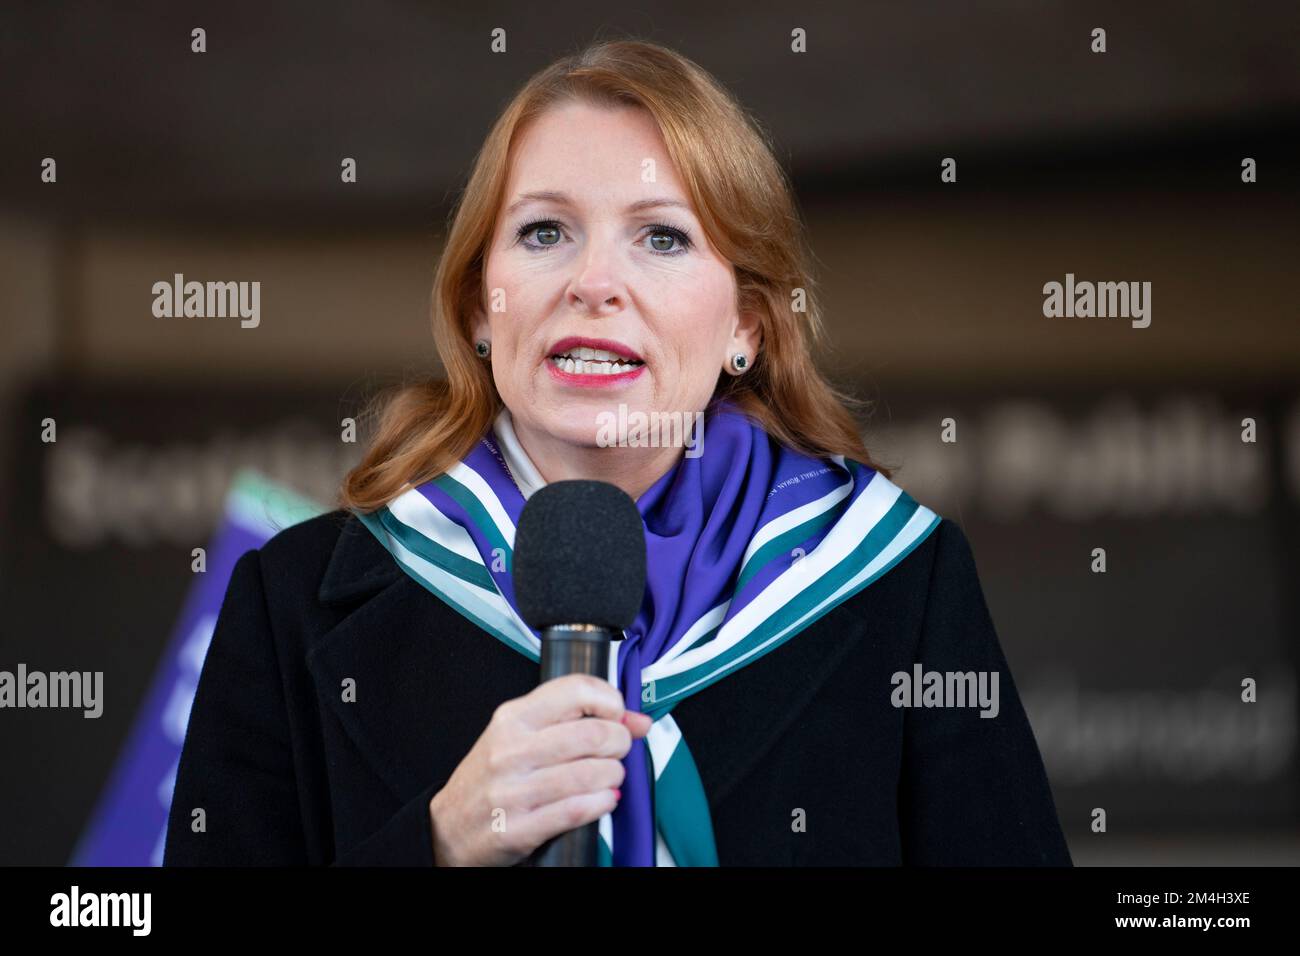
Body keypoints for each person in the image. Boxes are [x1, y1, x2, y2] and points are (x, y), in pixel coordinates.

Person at [163, 38, 1071, 867]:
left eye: (663, 237)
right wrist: (439, 844)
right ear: (482, 305)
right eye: (544, 232)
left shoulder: (900, 588)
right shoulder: (292, 603)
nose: (594, 283)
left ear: (747, 325)